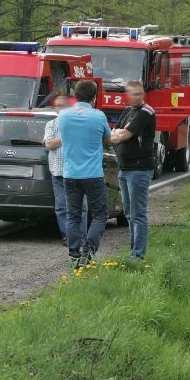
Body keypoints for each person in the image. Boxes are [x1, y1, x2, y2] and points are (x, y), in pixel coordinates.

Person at [57, 80, 111, 268]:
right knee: (100, 214)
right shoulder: (98, 116)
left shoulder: (63, 116)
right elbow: (108, 138)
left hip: (70, 174)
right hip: (93, 174)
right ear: (94, 97)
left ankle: (73, 252)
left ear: (75, 95)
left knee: (73, 215)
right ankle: (89, 249)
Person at [110, 81, 155, 260]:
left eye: (139, 94)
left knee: (138, 213)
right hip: (124, 168)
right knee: (128, 212)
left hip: (139, 169)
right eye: (133, 94)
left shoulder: (146, 112)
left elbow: (123, 135)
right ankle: (133, 250)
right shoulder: (127, 111)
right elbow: (113, 134)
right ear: (127, 95)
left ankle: (138, 255)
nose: (137, 97)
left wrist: (119, 134)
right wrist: (118, 134)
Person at [43, 96, 87, 245]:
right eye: (57, 106)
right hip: (57, 171)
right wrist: (65, 137)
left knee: (80, 207)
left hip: (76, 171)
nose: (60, 109)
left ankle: (81, 237)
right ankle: (68, 236)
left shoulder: (78, 124)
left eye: (63, 106)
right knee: (61, 207)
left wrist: (59, 140)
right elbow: (49, 144)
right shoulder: (51, 124)